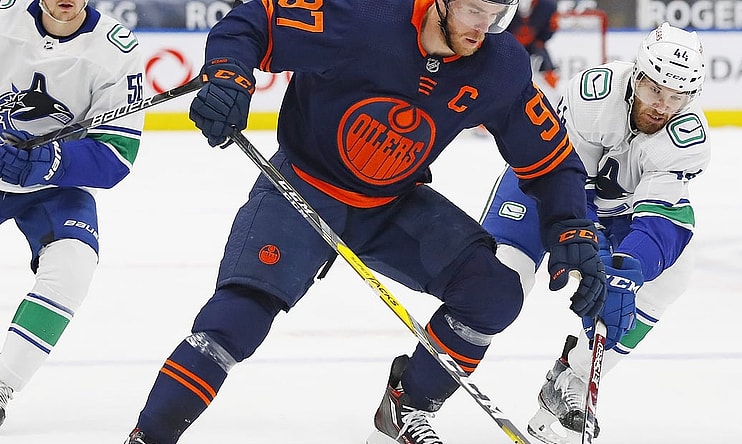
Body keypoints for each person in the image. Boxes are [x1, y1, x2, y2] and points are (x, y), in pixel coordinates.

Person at [123, 1, 608, 443]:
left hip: (392, 205)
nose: (485, 27)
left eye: (497, 13)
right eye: (473, 10)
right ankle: (149, 437)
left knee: (493, 294)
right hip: (303, 187)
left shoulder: (499, 65)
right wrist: (230, 77)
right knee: (235, 320)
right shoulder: (363, 15)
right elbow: (255, 22)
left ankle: (408, 406)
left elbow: (549, 159)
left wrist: (570, 225)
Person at [480, 22, 709, 443]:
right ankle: (418, 391)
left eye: (677, 96)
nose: (662, 106)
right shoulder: (593, 93)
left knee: (675, 271)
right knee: (499, 282)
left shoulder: (688, 137)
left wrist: (628, 266)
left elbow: (661, 217)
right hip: (542, 187)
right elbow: (566, 184)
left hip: (617, 209)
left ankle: (573, 380)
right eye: (655, 89)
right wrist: (595, 254)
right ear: (636, 75)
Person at [0, 0, 145, 427]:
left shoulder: (116, 49)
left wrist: (46, 162)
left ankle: (2, 385)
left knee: (74, 264)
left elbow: (117, 156)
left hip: (51, 188)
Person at [508, 0, 560, 91]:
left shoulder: (548, 5)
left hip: (534, 43)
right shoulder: (505, 4)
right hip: (508, 43)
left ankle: (554, 92)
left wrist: (541, 40)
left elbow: (552, 26)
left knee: (547, 68)